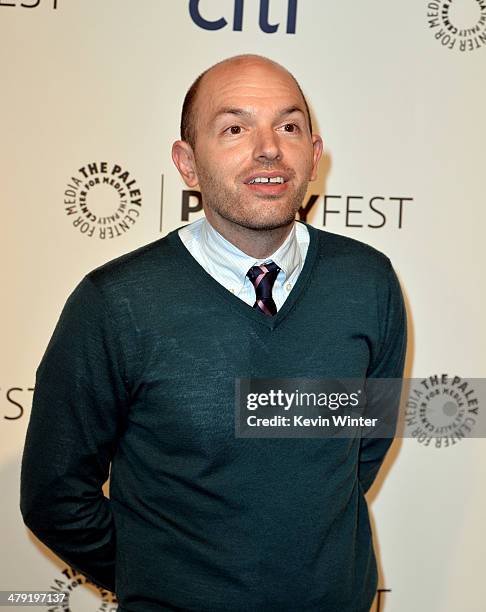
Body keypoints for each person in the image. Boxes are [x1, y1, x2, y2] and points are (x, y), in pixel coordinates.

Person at [20, 54, 407, 611]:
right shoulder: (115, 303)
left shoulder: (369, 281)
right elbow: (56, 496)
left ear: (314, 155)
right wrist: (163, 575)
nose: (269, 147)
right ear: (188, 164)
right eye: (234, 128)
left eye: (289, 126)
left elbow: (362, 450)